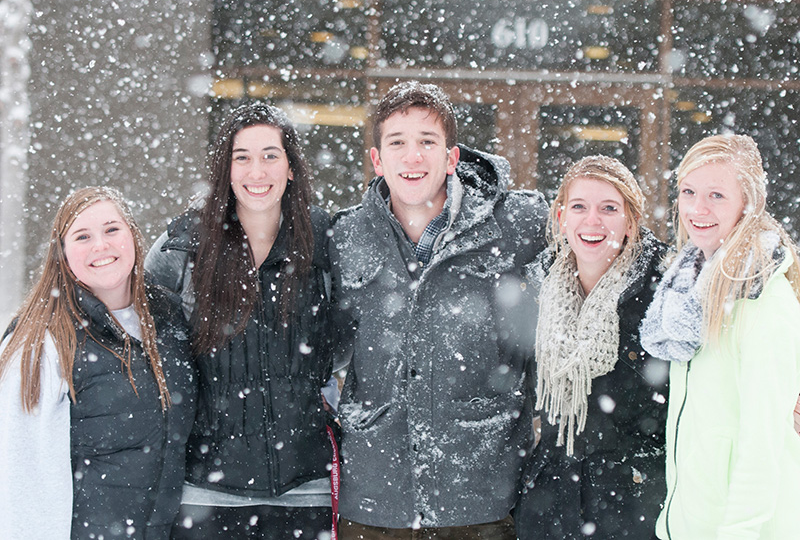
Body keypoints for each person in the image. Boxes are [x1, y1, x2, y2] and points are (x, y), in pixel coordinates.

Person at [328, 81, 548, 539]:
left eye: (427, 142)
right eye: (398, 143)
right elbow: (316, 349)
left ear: (451, 157)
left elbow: (598, 250)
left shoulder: (516, 226)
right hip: (374, 501)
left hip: (479, 500)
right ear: (377, 159)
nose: (413, 157)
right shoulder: (347, 237)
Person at [145, 103, 335, 539]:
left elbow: (342, 346)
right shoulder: (182, 250)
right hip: (207, 494)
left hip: (305, 491)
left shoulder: (323, 247)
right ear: (225, 171)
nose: (257, 170)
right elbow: (144, 343)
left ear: (291, 169)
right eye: (242, 157)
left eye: (271, 155)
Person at [0, 186, 196, 539]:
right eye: (82, 236)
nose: (101, 246)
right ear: (62, 253)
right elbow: (18, 474)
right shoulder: (41, 341)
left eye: (111, 229)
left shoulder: (168, 321)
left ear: (132, 236)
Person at [640, 134, 800, 539]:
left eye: (716, 195)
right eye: (689, 192)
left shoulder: (762, 297)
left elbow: (763, 440)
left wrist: (738, 531)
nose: (697, 208)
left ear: (749, 203)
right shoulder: (689, 287)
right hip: (693, 524)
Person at [514, 156, 669, 539]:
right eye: (579, 207)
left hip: (634, 510)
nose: (592, 221)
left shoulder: (664, 291)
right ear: (562, 217)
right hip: (549, 508)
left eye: (609, 209)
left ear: (631, 221)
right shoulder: (537, 288)